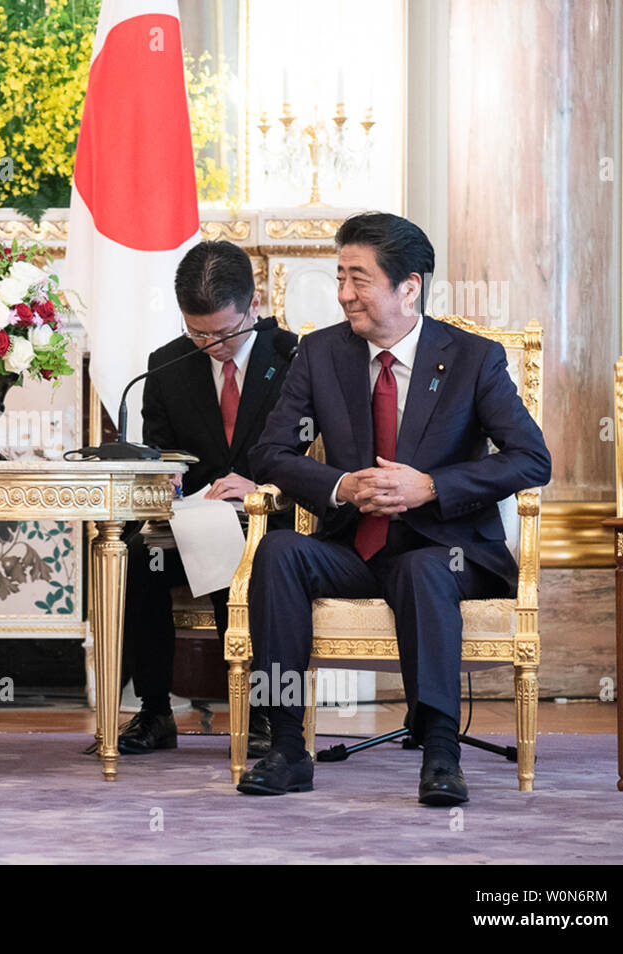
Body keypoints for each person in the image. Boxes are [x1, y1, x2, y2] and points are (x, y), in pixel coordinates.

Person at [238, 212, 551, 805]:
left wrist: (431, 486)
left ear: (409, 287)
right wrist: (341, 486)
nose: (344, 294)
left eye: (358, 279)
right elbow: (270, 453)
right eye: (339, 277)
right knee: (278, 551)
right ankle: (284, 746)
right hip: (352, 546)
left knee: (422, 567)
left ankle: (440, 752)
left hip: (447, 549)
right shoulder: (320, 353)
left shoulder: (472, 358)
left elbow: (532, 460)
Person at [118, 240, 298, 756]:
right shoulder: (165, 366)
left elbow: (316, 453)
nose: (211, 345)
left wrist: (267, 487)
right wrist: (165, 480)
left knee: (237, 557)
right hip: (189, 521)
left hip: (268, 521)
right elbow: (158, 454)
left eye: (223, 332)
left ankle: (263, 713)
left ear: (254, 305)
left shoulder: (294, 359)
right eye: (196, 332)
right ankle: (154, 711)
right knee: (135, 556)